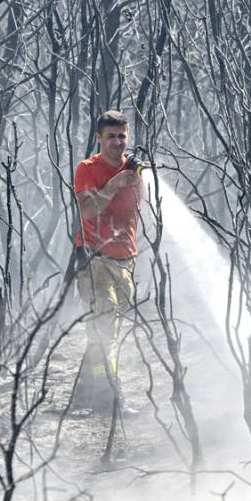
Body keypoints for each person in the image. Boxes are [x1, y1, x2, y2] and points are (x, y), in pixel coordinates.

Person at [71, 110, 144, 413]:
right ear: (99, 138)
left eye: (122, 136)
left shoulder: (134, 168)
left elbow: (146, 206)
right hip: (94, 259)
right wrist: (114, 185)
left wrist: (139, 176)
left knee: (105, 332)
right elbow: (87, 211)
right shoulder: (87, 169)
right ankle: (112, 398)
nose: (117, 142)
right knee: (105, 329)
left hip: (126, 260)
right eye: (111, 136)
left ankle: (82, 397)